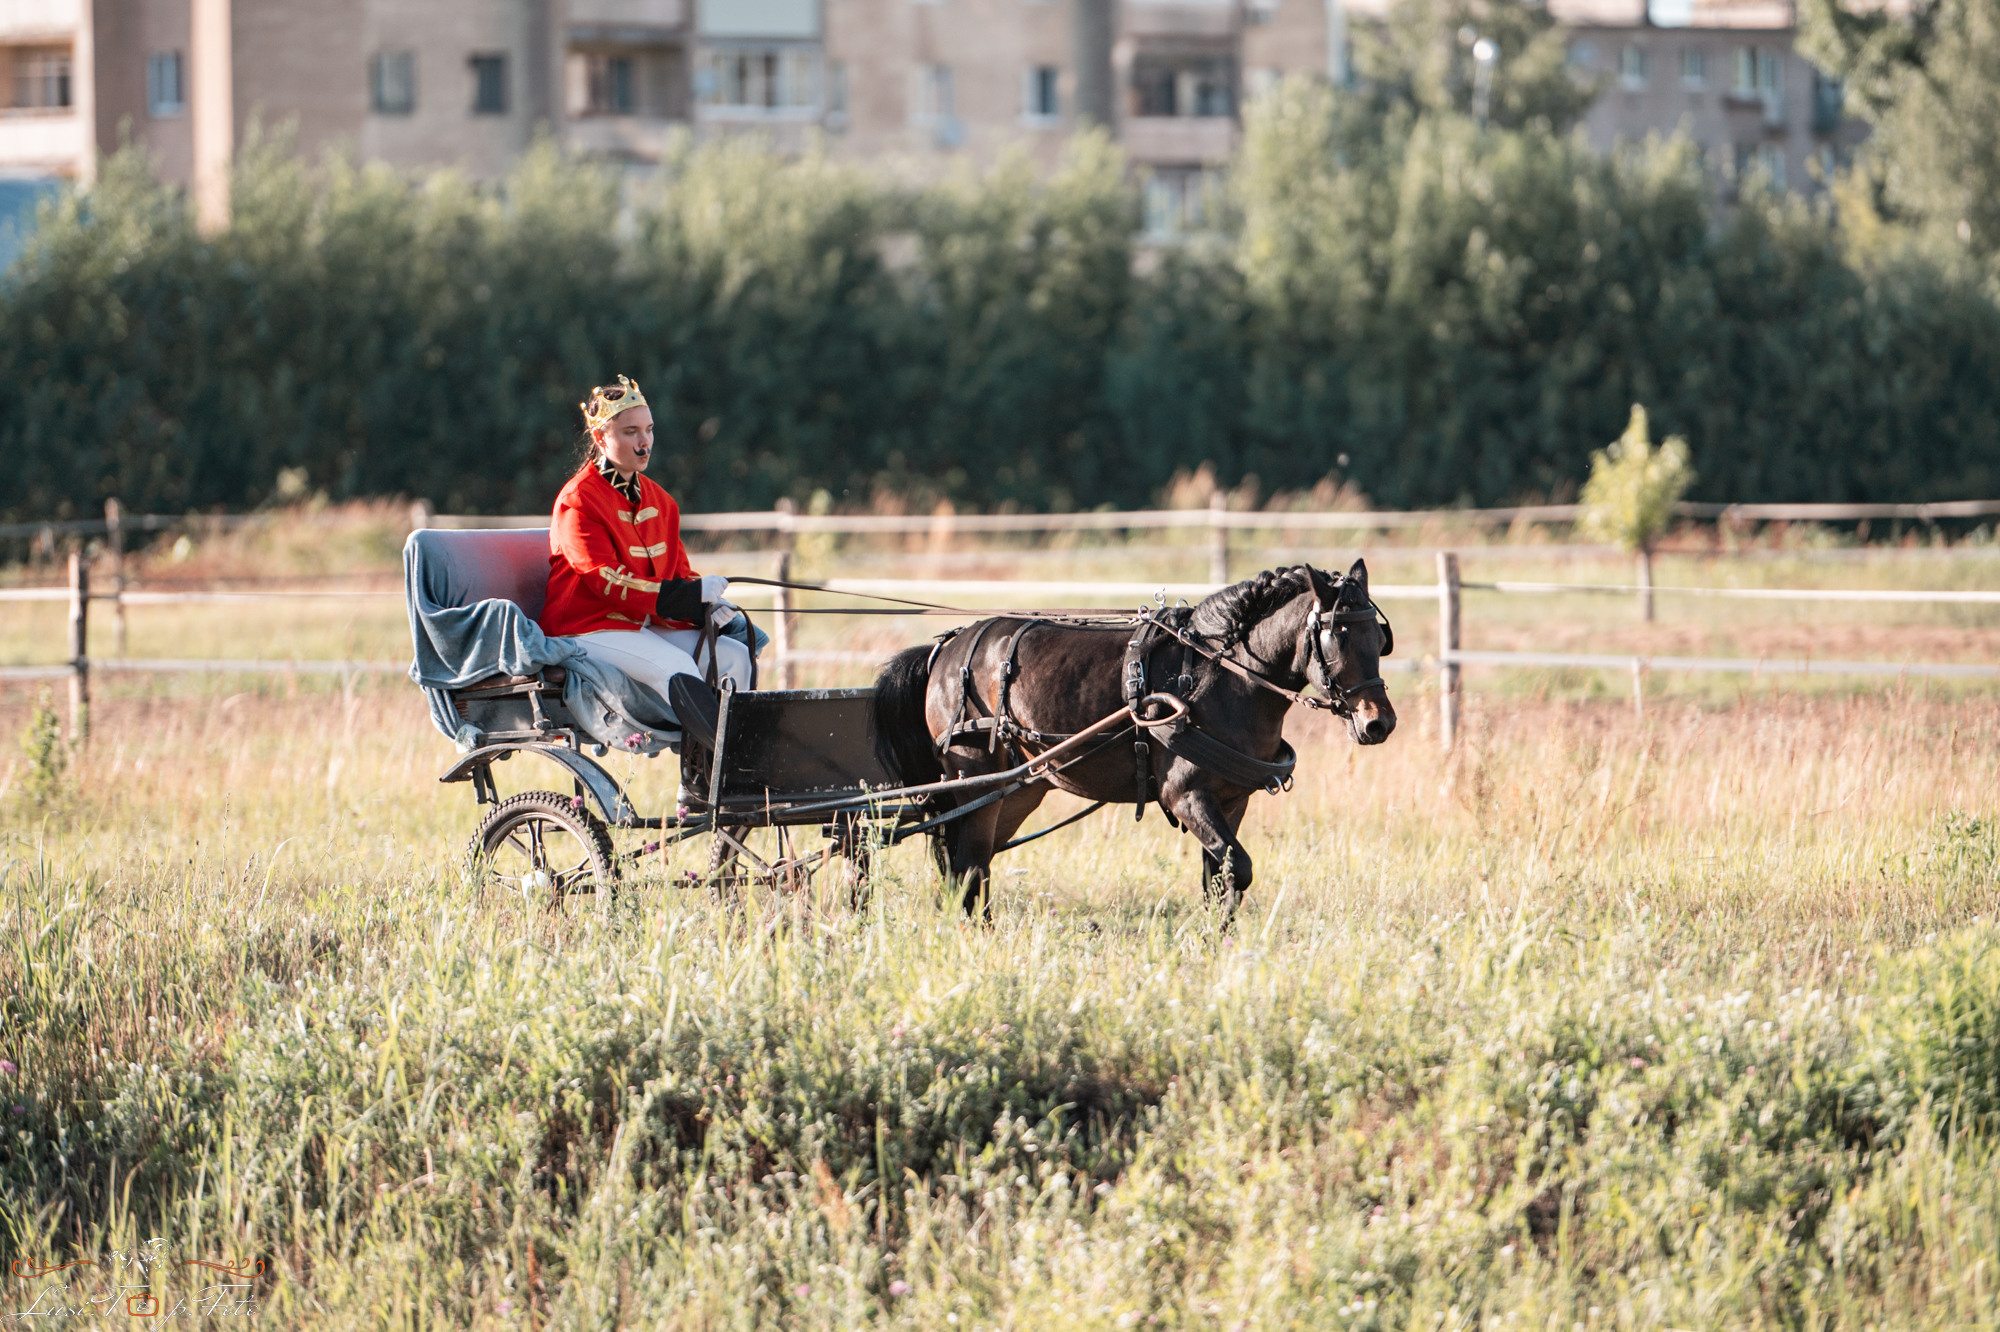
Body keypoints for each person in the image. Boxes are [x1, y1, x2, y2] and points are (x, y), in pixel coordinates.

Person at [539, 375, 755, 704]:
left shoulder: (661, 501)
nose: (645, 442)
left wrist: (703, 606)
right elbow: (605, 579)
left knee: (733, 656)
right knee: (678, 667)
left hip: (641, 625)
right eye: (631, 432)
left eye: (650, 429)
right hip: (585, 628)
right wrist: (687, 595)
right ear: (600, 437)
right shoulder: (578, 499)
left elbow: (677, 572)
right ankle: (716, 750)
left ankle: (728, 754)